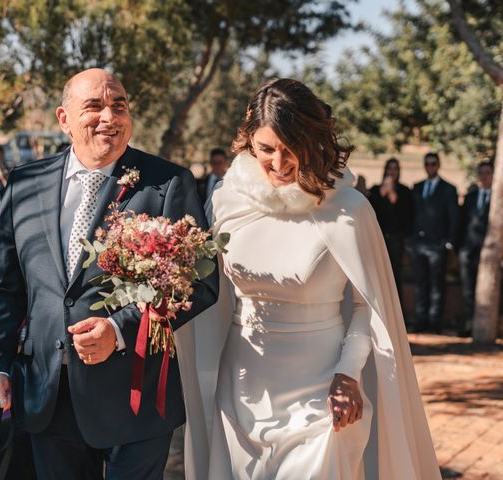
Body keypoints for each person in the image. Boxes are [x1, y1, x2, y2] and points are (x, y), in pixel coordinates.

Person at [185, 79, 440, 479]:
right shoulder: (225, 201)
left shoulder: (348, 209)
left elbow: (365, 305)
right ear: (249, 142)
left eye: (292, 149)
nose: (280, 163)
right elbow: (205, 290)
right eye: (267, 149)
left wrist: (348, 373)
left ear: (312, 141)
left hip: (323, 388)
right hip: (242, 385)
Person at [0, 68, 218, 480]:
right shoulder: (24, 184)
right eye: (94, 106)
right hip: (47, 397)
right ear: (63, 119)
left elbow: (199, 282)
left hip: (136, 393)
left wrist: (120, 330)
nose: (110, 115)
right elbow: (2, 286)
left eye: (119, 105)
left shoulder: (168, 184)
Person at [411, 152, 459, 332]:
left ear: (438, 165)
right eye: (427, 164)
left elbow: (454, 217)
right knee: (421, 282)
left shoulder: (448, 189)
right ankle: (421, 319)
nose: (430, 167)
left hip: (437, 244)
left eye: (433, 164)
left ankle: (434, 321)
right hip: (419, 244)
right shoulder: (417, 187)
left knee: (436, 284)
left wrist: (449, 242)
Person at [368, 158, 414, 299]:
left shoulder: (405, 191)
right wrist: (383, 193)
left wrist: (393, 196)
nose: (392, 172)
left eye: (395, 169)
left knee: (395, 274)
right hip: (378, 238)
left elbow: (406, 215)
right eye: (390, 168)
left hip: (396, 239)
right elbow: (371, 210)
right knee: (377, 273)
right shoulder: (375, 190)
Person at [457, 160, 493, 336]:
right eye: (481, 173)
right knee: (467, 288)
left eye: (488, 173)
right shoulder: (470, 197)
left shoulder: (498, 199)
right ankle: (468, 325)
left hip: (488, 252)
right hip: (468, 250)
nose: (484, 177)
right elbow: (461, 222)